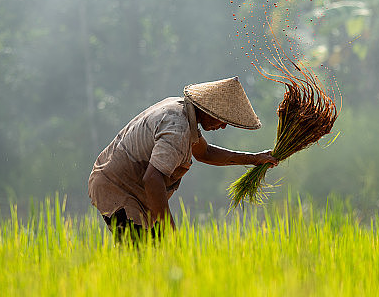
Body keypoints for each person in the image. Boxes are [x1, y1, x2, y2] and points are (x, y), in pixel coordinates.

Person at [88, 76, 278, 240]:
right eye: (223, 119)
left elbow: (205, 153)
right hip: (117, 188)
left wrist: (254, 159)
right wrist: (169, 229)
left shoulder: (182, 111)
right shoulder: (178, 128)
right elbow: (152, 179)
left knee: (152, 253)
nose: (223, 126)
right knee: (139, 253)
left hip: (129, 186)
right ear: (209, 110)